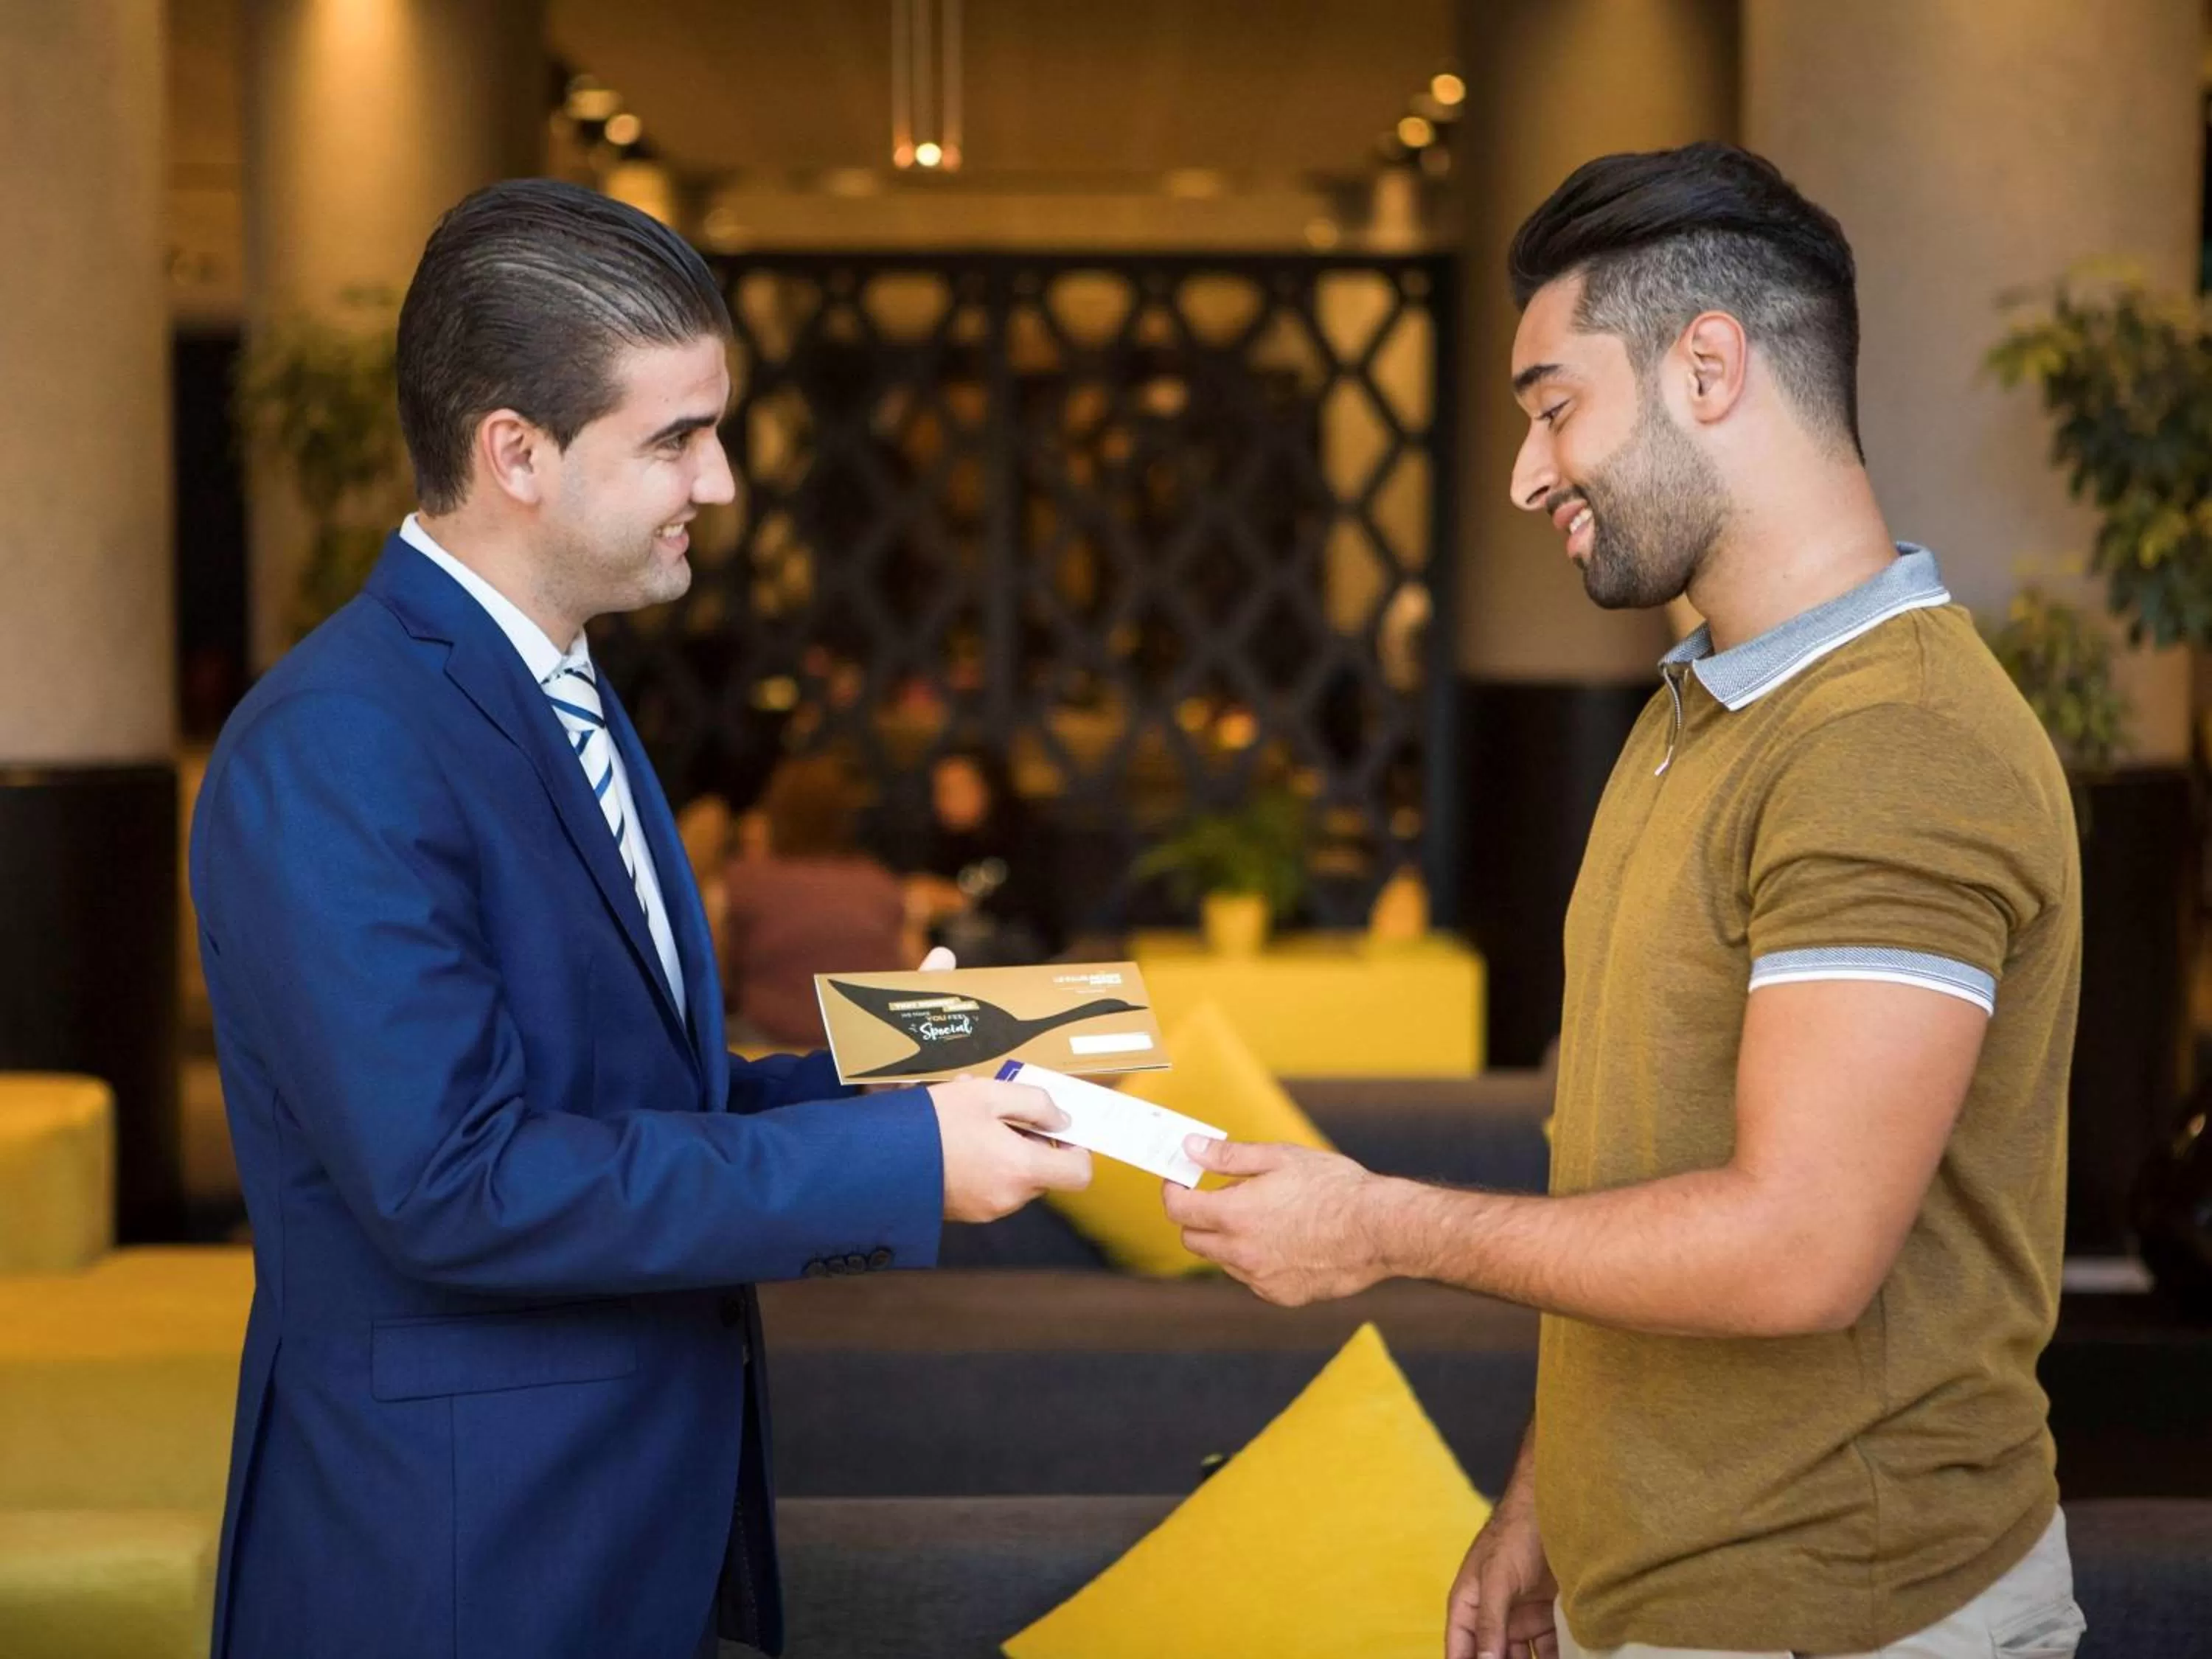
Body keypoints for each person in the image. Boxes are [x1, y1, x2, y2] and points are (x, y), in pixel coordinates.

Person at [1162, 143, 2084, 1659]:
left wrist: (1384, 1225)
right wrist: (1551, 1495)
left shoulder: (1893, 741)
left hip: (1843, 1619)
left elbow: (1796, 1249)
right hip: (1662, 1593)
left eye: (1552, 406)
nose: (1530, 472)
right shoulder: (1692, 719)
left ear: (1707, 368)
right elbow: (1643, 1169)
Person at [189, 179, 1089, 1659]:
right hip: (456, 1562)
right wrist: (900, 1162)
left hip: (619, 1529)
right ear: (516, 454)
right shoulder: (337, 741)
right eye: (676, 438)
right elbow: (457, 1183)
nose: (721, 482)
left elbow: (642, 1102)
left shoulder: (569, 693)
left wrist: (894, 1069)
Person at [723, 754, 911, 1047]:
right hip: (865, 1049)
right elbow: (914, 975)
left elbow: (712, 978)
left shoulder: (743, 883)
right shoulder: (880, 884)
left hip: (767, 1048)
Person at [902, 746, 1062, 965]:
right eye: (939, 791)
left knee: (967, 941)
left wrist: (959, 900)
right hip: (959, 941)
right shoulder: (943, 840)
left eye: (953, 790)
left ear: (989, 788)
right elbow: (921, 889)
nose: (942, 801)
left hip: (1026, 947)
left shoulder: (1027, 832)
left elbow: (1036, 908)